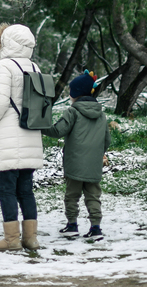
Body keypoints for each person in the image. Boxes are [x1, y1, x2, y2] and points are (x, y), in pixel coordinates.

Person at [0, 22, 44, 252]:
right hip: (30, 134)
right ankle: (31, 238)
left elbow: (0, 102)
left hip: (9, 137)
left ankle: (11, 240)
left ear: (6, 42)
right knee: (26, 189)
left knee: (6, 189)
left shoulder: (5, 66)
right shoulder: (34, 66)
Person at [43, 70, 111, 240]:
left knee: (72, 195)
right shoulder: (101, 115)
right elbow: (107, 140)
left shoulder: (72, 112)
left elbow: (58, 131)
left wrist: (40, 126)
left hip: (74, 163)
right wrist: (99, 154)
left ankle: (72, 225)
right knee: (93, 196)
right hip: (94, 164)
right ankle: (96, 228)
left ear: (76, 94)